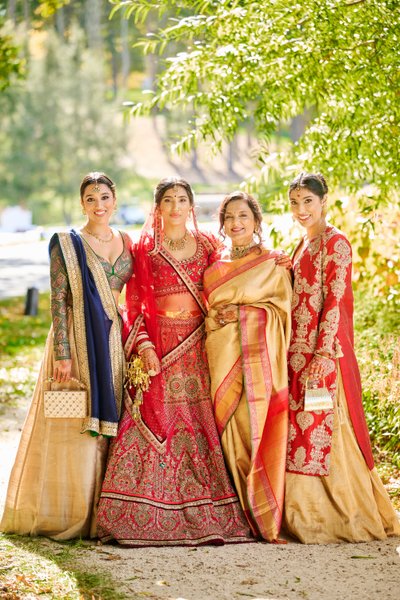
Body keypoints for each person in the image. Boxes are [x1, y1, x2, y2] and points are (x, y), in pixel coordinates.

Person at [97, 177, 253, 546]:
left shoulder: (209, 246)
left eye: (182, 200)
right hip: (159, 351)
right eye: (168, 200)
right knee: (152, 421)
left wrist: (271, 263)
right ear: (158, 207)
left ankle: (207, 509)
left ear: (191, 206)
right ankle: (140, 511)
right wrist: (145, 346)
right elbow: (132, 305)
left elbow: (230, 281)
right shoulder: (145, 250)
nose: (176, 207)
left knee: (200, 425)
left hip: (199, 348)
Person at [0, 172, 133, 540]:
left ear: (115, 200)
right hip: (75, 340)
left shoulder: (127, 241)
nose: (99, 204)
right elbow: (58, 299)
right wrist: (62, 354)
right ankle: (69, 509)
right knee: (73, 421)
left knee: (112, 419)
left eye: (104, 197)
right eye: (90, 198)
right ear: (82, 204)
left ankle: (104, 507)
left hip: (112, 340)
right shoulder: (67, 243)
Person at [284, 172, 400, 543]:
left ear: (323, 202)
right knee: (301, 429)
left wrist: (322, 353)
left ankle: (342, 515)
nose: (302, 210)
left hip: (324, 354)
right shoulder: (301, 244)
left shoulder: (336, 244)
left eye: (308, 202)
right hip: (296, 354)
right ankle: (299, 513)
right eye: (295, 203)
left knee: (326, 428)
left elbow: (334, 301)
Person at [203, 191, 293, 542]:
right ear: (222, 224)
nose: (236, 223)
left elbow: (283, 312)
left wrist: (242, 314)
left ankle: (263, 511)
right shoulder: (213, 269)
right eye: (229, 217)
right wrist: (218, 318)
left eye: (243, 216)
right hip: (222, 360)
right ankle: (239, 511)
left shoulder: (273, 263)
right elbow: (207, 316)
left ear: (256, 221)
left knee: (255, 427)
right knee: (230, 432)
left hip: (260, 364)